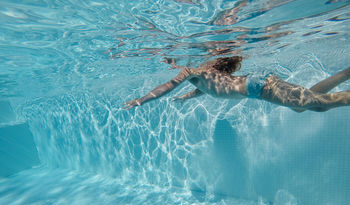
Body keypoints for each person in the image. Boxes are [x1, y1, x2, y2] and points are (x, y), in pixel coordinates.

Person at [123, 56, 350, 112]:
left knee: (319, 104)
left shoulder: (191, 70)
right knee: (304, 104)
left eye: (172, 62)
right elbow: (207, 89)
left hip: (257, 87)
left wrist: (141, 100)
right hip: (257, 85)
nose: (172, 66)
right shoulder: (204, 75)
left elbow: (168, 86)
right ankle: (345, 73)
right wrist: (187, 98)